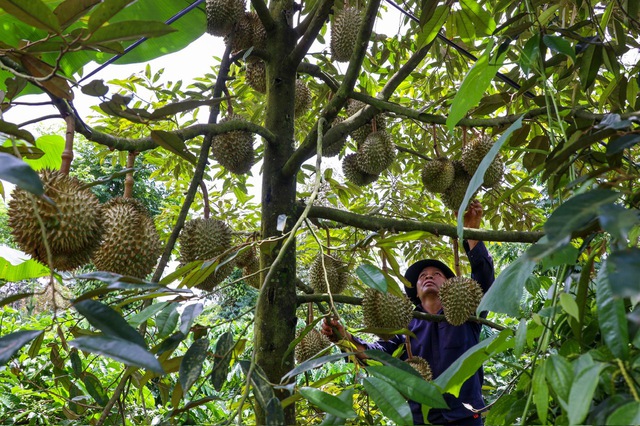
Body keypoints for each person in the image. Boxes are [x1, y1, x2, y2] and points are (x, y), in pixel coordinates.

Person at [321, 200, 494, 425]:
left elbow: (485, 281)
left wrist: (471, 230)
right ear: (416, 292)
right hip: (420, 419)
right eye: (423, 276)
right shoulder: (406, 326)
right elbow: (377, 355)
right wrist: (344, 338)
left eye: (436, 274)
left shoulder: (467, 315)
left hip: (465, 417)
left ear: (452, 285)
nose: (428, 276)